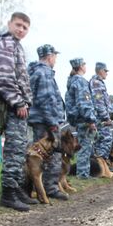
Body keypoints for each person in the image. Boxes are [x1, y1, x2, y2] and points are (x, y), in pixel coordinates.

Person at [0, 12, 38, 211]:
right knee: (13, 150)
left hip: (18, 106)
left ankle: (16, 190)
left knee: (18, 150)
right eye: (18, 25)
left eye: (25, 27)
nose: (21, 29)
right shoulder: (6, 44)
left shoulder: (15, 45)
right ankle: (8, 194)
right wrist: (18, 103)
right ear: (9, 24)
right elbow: (5, 78)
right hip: (12, 106)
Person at [27, 44, 68, 201]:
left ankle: (42, 188)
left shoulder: (37, 71)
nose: (55, 60)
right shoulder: (44, 73)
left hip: (40, 121)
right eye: (55, 56)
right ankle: (50, 188)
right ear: (49, 56)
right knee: (52, 155)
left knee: (41, 156)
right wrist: (52, 122)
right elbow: (46, 100)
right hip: (46, 122)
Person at [66, 58, 97, 179]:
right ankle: (83, 174)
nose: (86, 66)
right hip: (83, 119)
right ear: (80, 67)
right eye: (84, 64)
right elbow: (84, 103)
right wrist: (90, 120)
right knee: (85, 146)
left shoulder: (72, 81)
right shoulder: (80, 81)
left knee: (83, 146)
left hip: (78, 118)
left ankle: (83, 172)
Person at [90, 62, 113, 166]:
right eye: (105, 71)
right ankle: (101, 165)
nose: (107, 73)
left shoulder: (98, 82)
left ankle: (99, 166)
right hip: (100, 118)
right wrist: (106, 117)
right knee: (107, 139)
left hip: (99, 117)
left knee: (99, 142)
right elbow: (99, 102)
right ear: (100, 70)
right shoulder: (96, 83)